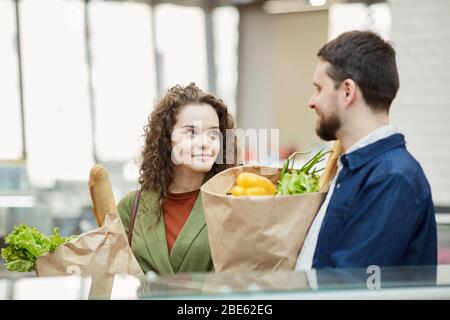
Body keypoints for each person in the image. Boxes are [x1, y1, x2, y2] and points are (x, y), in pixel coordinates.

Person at [296, 31, 437, 270]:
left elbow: (350, 286)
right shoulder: (353, 167)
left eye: (319, 89)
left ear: (348, 91)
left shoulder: (392, 178)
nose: (312, 101)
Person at [117, 83, 238, 274]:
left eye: (213, 133)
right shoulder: (130, 207)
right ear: (166, 139)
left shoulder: (234, 200)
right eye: (191, 132)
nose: (205, 143)